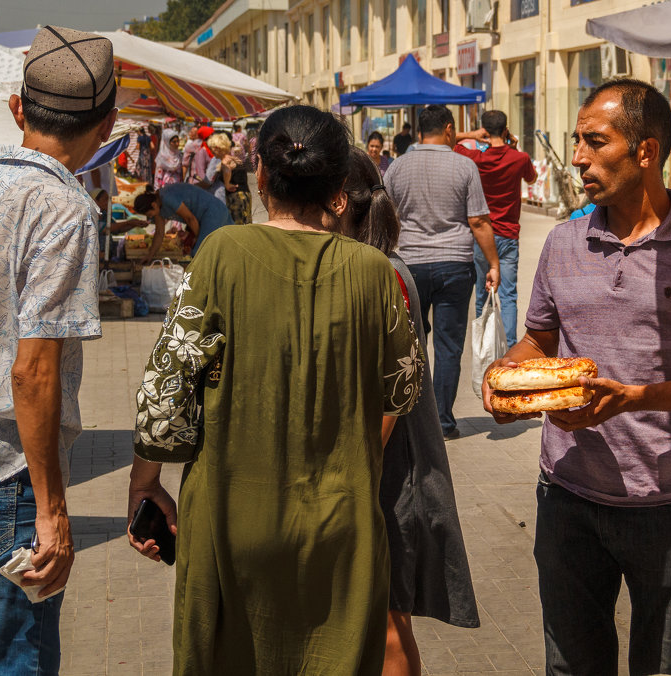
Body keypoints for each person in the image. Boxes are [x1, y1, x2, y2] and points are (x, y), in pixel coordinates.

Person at [126, 105, 423, 675]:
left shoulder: (222, 253)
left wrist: (146, 484)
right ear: (340, 186)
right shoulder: (372, 270)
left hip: (232, 522)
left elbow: (164, 396)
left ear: (259, 176)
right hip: (341, 529)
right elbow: (403, 389)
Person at [482, 79, 671, 675]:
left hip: (664, 503)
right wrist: (507, 372)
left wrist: (635, 399)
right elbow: (541, 339)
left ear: (645, 152)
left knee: (661, 664)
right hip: (566, 494)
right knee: (572, 665)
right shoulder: (563, 242)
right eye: (578, 141)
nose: (577, 157)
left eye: (595, 142)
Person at [0, 25, 117, 674]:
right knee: (15, 663)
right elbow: (33, 371)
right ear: (107, 124)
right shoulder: (62, 210)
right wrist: (53, 508)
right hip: (0, 483)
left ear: (17, 108)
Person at [338, 146, 480, 676]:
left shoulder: (383, 275)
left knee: (389, 621)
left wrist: (344, 474)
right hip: (375, 472)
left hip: (388, 475)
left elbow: (389, 398)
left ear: (335, 204)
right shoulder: (366, 269)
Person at [385, 104, 500, 440]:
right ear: (450, 130)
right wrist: (493, 263)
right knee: (449, 347)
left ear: (420, 130)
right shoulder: (464, 166)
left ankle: (410, 419)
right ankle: (442, 422)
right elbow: (478, 221)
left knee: (410, 343)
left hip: (409, 266)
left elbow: (386, 215)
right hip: (454, 265)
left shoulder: (397, 167)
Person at [455, 110, 538, 350]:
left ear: (484, 130)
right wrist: (513, 145)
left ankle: (483, 345)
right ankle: (511, 349)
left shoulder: (475, 158)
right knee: (509, 295)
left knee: (482, 293)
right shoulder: (519, 158)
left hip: (483, 236)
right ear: (505, 129)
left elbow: (449, 141)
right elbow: (531, 179)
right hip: (509, 235)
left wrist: (472, 135)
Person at [131, 182, 233, 258]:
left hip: (213, 212)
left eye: (149, 214)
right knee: (227, 247)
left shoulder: (167, 197)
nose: (150, 217)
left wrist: (197, 239)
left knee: (200, 252)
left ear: (153, 205)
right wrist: (150, 256)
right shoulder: (158, 206)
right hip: (209, 214)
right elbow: (159, 233)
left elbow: (190, 219)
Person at [226, 139, 253, 224]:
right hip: (246, 194)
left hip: (236, 196)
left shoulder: (229, 164)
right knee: (247, 222)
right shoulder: (241, 163)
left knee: (237, 224)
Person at [204, 132, 235, 204]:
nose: (211, 151)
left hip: (222, 198)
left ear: (218, 147)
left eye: (212, 148)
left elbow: (208, 180)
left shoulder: (220, 160)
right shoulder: (233, 155)